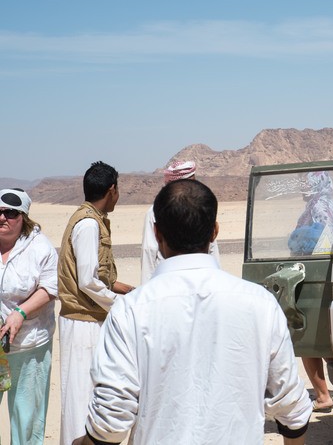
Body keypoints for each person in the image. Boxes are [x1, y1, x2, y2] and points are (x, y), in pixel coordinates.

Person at [71, 179, 312, 444]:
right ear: (214, 232)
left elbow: (111, 422)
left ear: (156, 233)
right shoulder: (261, 304)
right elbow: (292, 408)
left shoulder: (130, 311)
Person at [58, 161, 135, 445]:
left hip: (86, 320)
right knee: (82, 396)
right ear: (111, 189)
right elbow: (87, 282)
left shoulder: (90, 219)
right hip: (83, 323)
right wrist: (120, 304)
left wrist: (123, 287)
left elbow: (97, 275)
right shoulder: (89, 224)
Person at [0, 189, 58, 445]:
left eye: (11, 213)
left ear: (23, 216)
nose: (3, 218)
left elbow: (50, 287)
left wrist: (21, 312)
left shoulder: (40, 248)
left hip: (29, 347)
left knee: (26, 419)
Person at [287, 171, 333, 412]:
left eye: (308, 184)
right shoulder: (331, 204)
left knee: (307, 338)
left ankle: (323, 396)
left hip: (314, 273)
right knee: (325, 334)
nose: (304, 188)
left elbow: (322, 240)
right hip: (329, 273)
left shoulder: (318, 207)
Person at [140, 160, 220, 284]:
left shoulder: (202, 207)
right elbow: (149, 250)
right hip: (172, 279)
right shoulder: (154, 212)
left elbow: (212, 247)